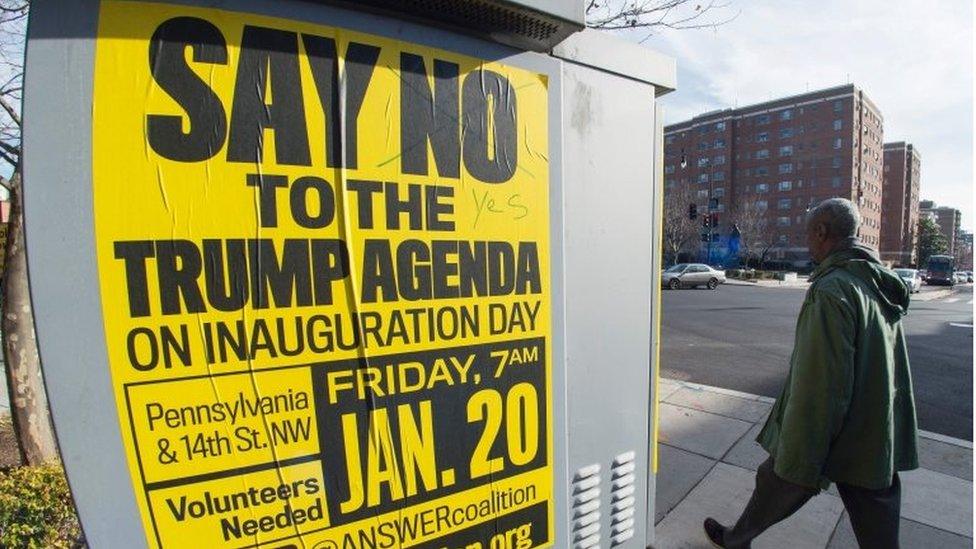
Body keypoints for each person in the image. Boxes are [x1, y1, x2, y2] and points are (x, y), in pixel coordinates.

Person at [703, 198, 918, 548]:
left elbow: (822, 383)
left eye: (808, 234)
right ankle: (737, 538)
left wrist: (803, 451)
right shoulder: (875, 283)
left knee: (781, 478)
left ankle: (736, 539)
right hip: (875, 429)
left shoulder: (833, 289)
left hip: (840, 429)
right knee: (875, 504)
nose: (807, 243)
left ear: (821, 232)